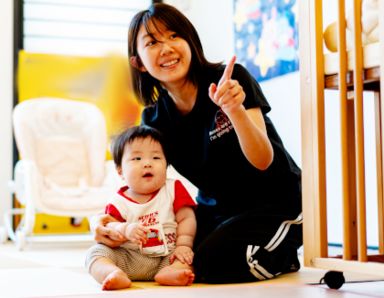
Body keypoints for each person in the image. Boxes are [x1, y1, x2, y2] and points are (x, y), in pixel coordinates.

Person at [92, 3, 303, 283]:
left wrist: (234, 110)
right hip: (217, 210)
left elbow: (263, 160)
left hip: (276, 201)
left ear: (189, 41)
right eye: (152, 42)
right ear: (139, 62)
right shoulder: (153, 118)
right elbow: (145, 181)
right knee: (171, 253)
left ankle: (284, 255)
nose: (166, 48)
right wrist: (109, 221)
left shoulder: (230, 80)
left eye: (174, 36)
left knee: (209, 264)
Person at [85, 125, 197, 290]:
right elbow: (110, 225)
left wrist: (184, 245)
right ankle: (113, 273)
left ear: (166, 166)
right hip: (129, 257)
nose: (147, 164)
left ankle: (170, 273)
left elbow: (186, 217)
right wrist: (125, 229)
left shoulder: (173, 189)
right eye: (137, 159)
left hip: (166, 256)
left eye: (156, 158)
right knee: (95, 254)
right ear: (120, 171)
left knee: (186, 259)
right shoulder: (118, 201)